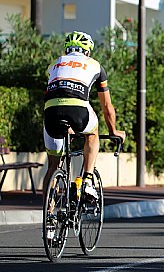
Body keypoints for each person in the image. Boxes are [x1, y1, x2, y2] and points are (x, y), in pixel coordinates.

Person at [43, 31, 126, 199]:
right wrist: (113, 131)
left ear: (67, 50)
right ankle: (87, 180)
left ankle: (49, 215)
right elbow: (107, 107)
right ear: (88, 51)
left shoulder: (54, 64)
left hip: (51, 112)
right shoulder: (95, 65)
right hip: (78, 110)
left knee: (52, 166)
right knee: (92, 133)